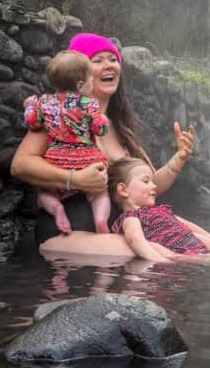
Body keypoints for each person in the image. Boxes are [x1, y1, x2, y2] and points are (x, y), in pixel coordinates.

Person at [10, 32, 195, 257]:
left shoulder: (119, 128)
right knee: (166, 254)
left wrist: (179, 159)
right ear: (80, 74)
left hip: (118, 229)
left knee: (206, 245)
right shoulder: (58, 115)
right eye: (97, 60)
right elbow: (20, 164)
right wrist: (74, 179)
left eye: (113, 59)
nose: (109, 65)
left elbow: (149, 185)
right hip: (67, 233)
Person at [22, 50, 111, 234]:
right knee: (100, 191)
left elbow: (32, 123)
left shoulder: (44, 102)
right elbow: (100, 129)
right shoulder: (89, 104)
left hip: (56, 162)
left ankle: (57, 209)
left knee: (45, 191)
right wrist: (103, 120)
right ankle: (101, 220)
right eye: (90, 80)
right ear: (80, 85)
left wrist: (29, 106)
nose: (92, 83)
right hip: (87, 161)